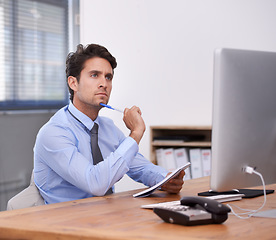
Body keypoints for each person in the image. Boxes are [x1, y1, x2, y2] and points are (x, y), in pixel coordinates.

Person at [33, 43, 185, 204]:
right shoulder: (54, 132)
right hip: (64, 221)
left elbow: (140, 167)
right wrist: (135, 134)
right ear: (73, 83)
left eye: (108, 77)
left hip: (106, 215)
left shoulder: (107, 127)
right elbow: (95, 183)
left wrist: (165, 179)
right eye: (94, 75)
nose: (103, 84)